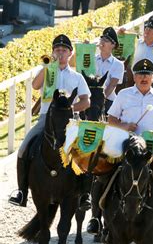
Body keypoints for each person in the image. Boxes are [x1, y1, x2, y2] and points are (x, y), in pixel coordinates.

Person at [86, 58, 153, 239]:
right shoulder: (123, 95)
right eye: (140, 74)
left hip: (152, 148)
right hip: (127, 145)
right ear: (134, 77)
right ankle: (95, 218)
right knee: (102, 174)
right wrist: (125, 126)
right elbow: (111, 119)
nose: (143, 77)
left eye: (147, 74)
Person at [9, 34, 91, 207]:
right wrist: (47, 66)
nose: (60, 53)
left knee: (86, 151)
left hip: (70, 120)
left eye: (64, 50)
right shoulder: (47, 71)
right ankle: (22, 191)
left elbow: (86, 101)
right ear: (53, 52)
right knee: (24, 148)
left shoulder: (77, 77)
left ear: (70, 53)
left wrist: (70, 109)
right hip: (46, 118)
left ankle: (85, 194)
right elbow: (35, 85)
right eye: (57, 50)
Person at [126, 15, 153, 85]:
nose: (146, 31)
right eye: (146, 28)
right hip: (131, 80)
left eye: (150, 30)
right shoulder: (135, 43)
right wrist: (120, 36)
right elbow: (121, 54)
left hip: (150, 83)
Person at [95, 27, 124, 114]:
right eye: (102, 39)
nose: (102, 42)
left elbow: (112, 85)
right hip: (91, 99)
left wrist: (100, 100)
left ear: (113, 45)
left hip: (107, 100)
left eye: (106, 40)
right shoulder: (92, 59)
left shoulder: (118, 64)